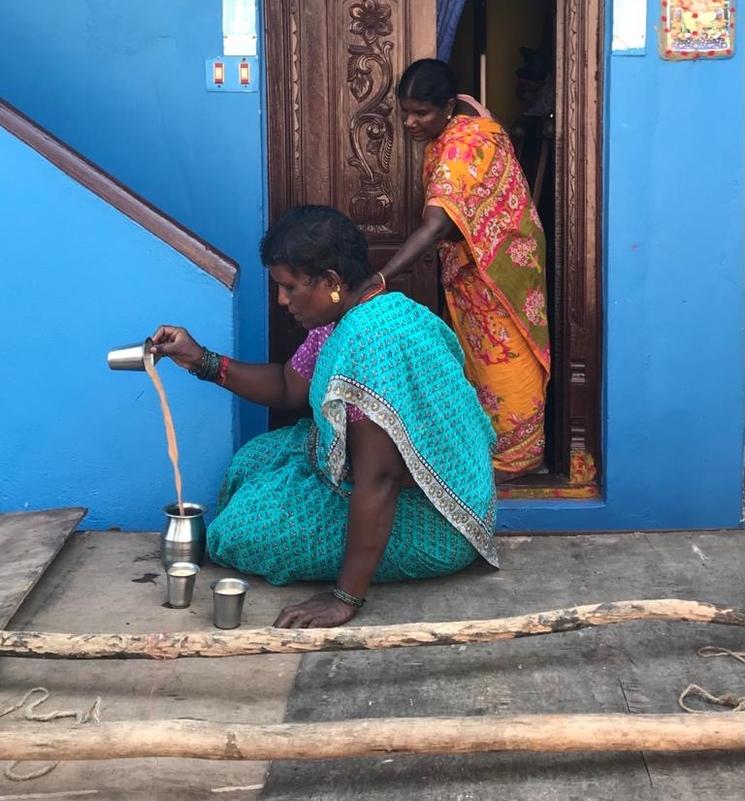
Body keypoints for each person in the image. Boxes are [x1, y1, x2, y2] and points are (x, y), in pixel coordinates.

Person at [151, 205, 498, 629]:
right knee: (251, 462)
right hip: (385, 482)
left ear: (332, 282)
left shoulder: (371, 345)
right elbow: (287, 386)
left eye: (290, 287)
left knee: (236, 534)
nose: (281, 301)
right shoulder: (347, 315)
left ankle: (361, 572)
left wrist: (343, 598)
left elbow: (381, 479)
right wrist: (199, 359)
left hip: (435, 518)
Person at [361, 59, 550, 480]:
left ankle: (518, 457)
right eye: (404, 111)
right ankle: (487, 444)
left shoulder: (463, 146)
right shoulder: (468, 114)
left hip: (497, 270)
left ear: (447, 107)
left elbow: (436, 225)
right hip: (485, 261)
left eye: (421, 113)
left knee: (505, 356)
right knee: (478, 359)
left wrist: (382, 277)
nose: (409, 122)